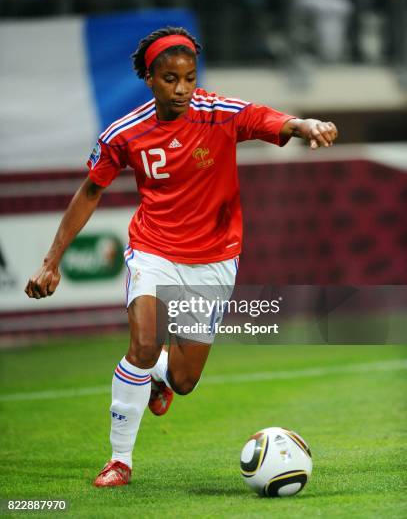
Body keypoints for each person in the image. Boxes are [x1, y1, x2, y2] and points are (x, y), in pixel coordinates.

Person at [25, 26, 338, 487]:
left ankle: (157, 378)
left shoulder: (219, 114)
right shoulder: (124, 133)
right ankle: (120, 460)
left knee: (185, 380)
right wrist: (52, 260)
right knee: (145, 343)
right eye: (171, 79)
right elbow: (91, 190)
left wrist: (306, 124)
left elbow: (274, 120)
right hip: (153, 251)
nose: (183, 89)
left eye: (190, 78)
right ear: (149, 78)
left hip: (214, 259)